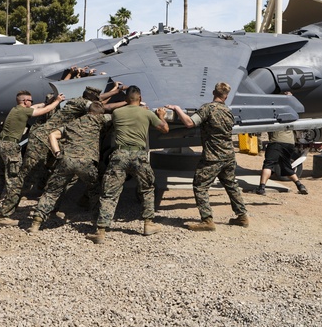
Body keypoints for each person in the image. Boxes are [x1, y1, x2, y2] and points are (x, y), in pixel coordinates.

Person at [89, 86, 170, 244]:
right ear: (140, 98)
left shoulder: (117, 113)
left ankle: (101, 231)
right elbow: (164, 128)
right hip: (139, 156)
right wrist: (161, 116)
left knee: (109, 193)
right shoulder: (146, 113)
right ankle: (148, 224)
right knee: (147, 189)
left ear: (126, 99)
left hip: (119, 155)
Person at [167, 83, 250, 231]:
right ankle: (242, 216)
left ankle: (207, 220)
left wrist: (177, 108)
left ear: (213, 92)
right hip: (229, 156)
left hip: (213, 157)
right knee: (231, 185)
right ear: (226, 96)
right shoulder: (228, 111)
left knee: (200, 186)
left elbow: (189, 123)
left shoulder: (208, 109)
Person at [28, 103, 112, 233]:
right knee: (94, 192)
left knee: (52, 191)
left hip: (66, 160)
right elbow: (117, 116)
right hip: (87, 162)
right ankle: (97, 224)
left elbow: (52, 135)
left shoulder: (73, 124)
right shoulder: (100, 119)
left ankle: (36, 222)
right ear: (99, 113)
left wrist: (57, 153)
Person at [0, 90, 64, 209]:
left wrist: (50, 101)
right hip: (10, 146)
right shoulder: (24, 111)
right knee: (14, 178)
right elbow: (45, 110)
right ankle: (7, 210)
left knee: (0, 174)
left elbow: (38, 106)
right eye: (30, 100)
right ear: (24, 101)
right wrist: (58, 101)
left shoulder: (15, 109)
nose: (32, 103)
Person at [254, 127, 309, 195]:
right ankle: (300, 186)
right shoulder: (290, 117)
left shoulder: (274, 117)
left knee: (268, 164)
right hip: (289, 143)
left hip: (276, 142)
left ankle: (261, 188)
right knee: (286, 166)